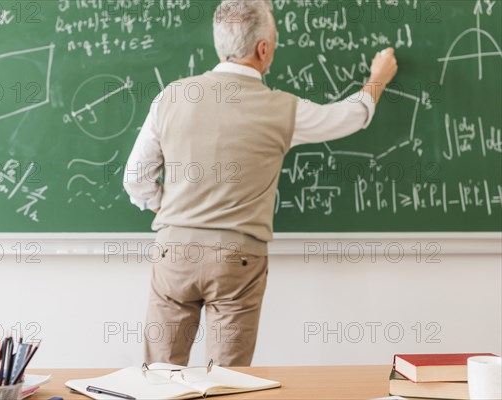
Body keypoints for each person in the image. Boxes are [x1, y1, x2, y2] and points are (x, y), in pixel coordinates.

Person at [124, 0, 398, 367]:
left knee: (158, 375)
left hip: (175, 251)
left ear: (221, 44)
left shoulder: (171, 96)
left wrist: (166, 208)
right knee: (227, 381)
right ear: (263, 49)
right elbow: (348, 117)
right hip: (237, 258)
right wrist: (377, 79)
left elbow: (136, 179)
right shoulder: (283, 109)